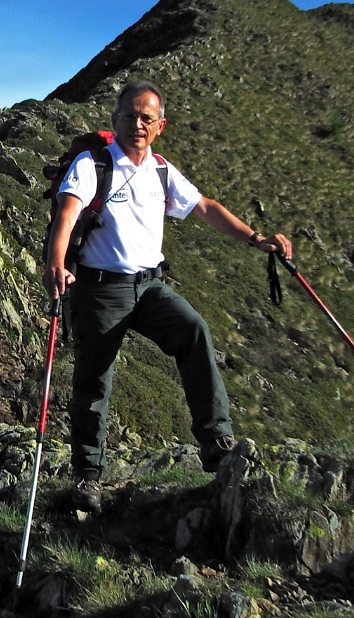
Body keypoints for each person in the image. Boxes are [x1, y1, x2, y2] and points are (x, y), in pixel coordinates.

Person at [44, 80, 292, 510]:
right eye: (128, 116)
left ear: (161, 125)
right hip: (101, 291)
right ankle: (87, 477)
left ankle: (215, 440)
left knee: (193, 330)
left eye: (146, 118)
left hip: (150, 286)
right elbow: (66, 214)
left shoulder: (160, 170)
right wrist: (56, 265)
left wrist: (256, 239)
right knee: (93, 380)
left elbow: (206, 208)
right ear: (114, 119)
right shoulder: (93, 164)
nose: (136, 124)